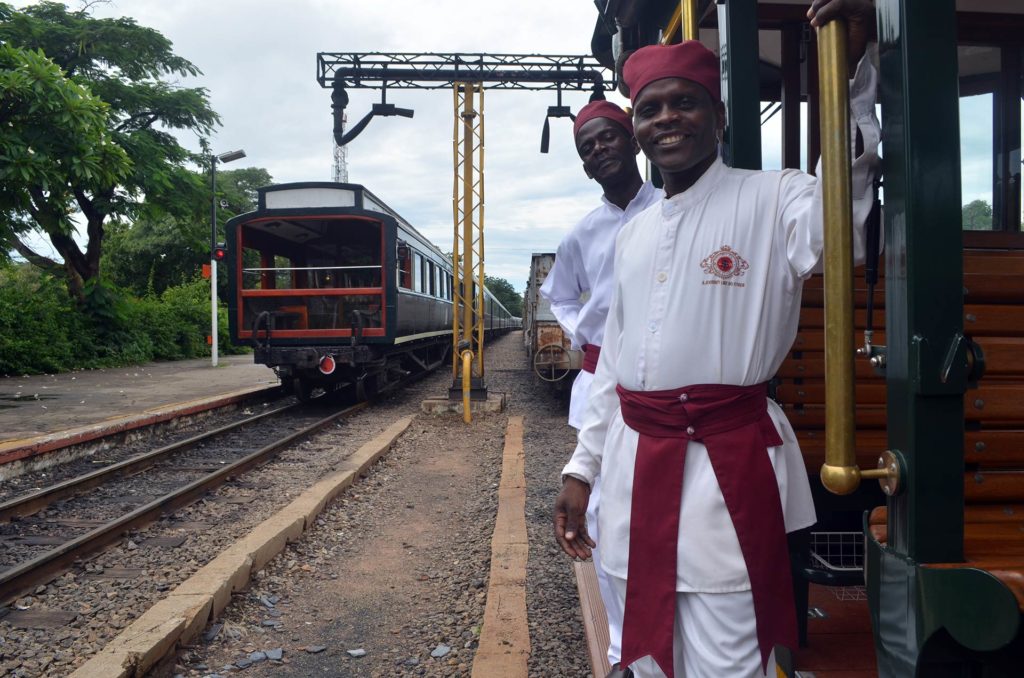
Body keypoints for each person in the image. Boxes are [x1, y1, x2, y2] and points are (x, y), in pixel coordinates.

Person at [552, 1, 880, 677]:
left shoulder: (776, 197)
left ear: (720, 118)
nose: (666, 118)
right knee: (644, 655)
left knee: (732, 657)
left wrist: (852, 72)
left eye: (685, 103)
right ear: (637, 129)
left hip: (726, 475)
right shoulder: (636, 232)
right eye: (650, 109)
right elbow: (614, 363)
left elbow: (838, 213)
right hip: (636, 469)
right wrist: (581, 470)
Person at [541, 99, 662, 677]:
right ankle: (622, 650)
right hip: (598, 382)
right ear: (584, 165)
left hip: (663, 380)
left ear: (633, 141)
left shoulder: (672, 209)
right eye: (586, 148)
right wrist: (585, 328)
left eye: (606, 139)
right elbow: (558, 296)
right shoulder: (581, 234)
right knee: (606, 515)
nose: (598, 151)